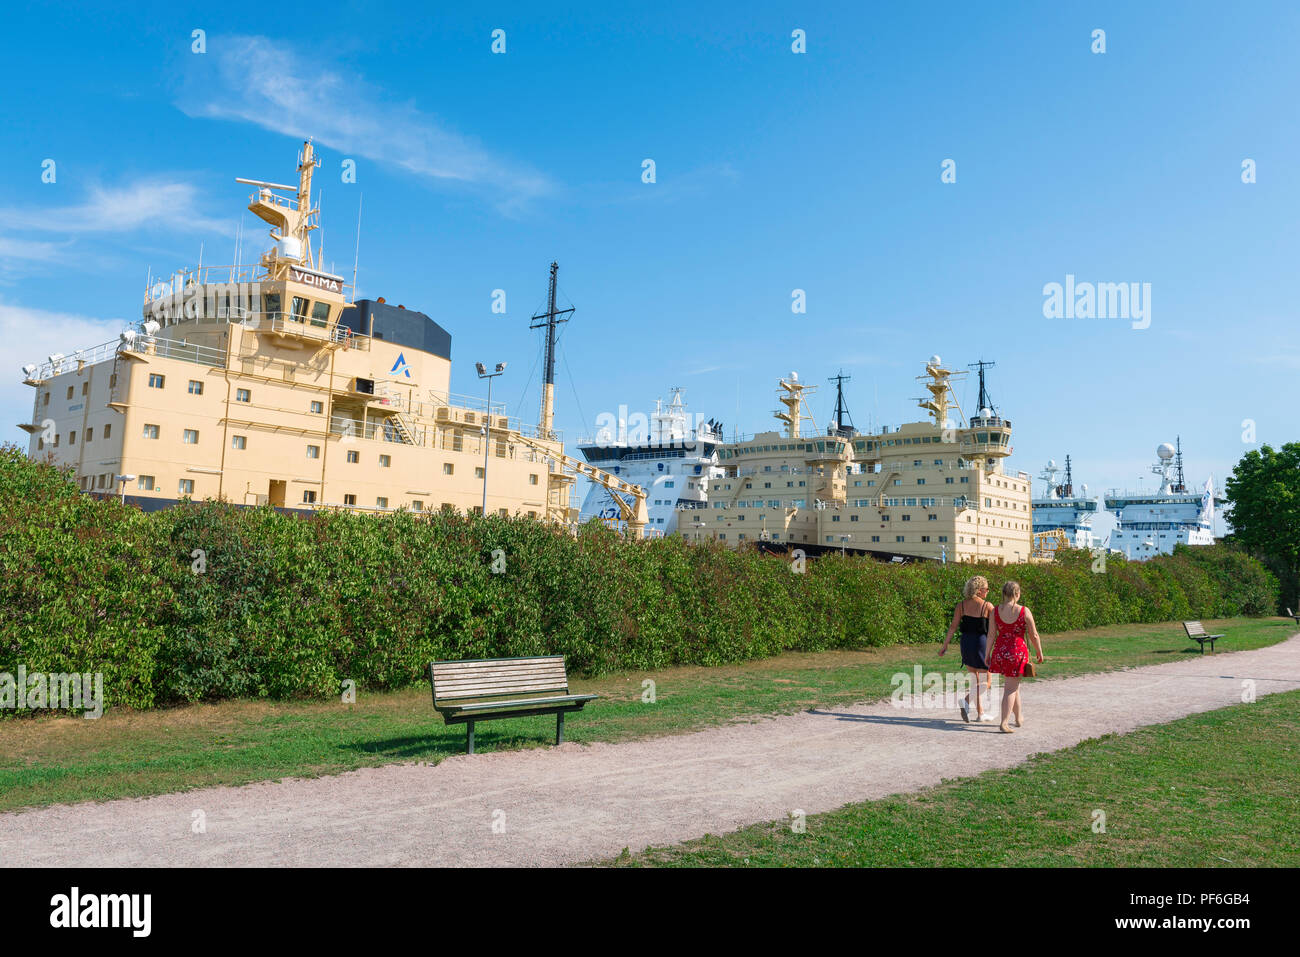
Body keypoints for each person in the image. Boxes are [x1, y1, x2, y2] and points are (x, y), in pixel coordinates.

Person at [985, 580, 1044, 733]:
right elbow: (1034, 634)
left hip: (1000, 651)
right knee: (1011, 688)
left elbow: (991, 634)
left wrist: (987, 654)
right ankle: (1004, 722)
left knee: (1014, 685)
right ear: (1017, 594)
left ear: (1004, 594)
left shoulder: (995, 611)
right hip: (1017, 652)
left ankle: (1018, 718)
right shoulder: (1024, 611)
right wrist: (1039, 651)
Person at [939, 575, 994, 722]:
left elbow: (952, 627)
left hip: (966, 643)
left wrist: (945, 645)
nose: (987, 592)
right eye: (986, 589)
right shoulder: (987, 606)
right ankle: (966, 702)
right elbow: (997, 628)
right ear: (979, 590)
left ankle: (980, 714)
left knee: (975, 681)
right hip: (981, 644)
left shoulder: (961, 605)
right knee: (986, 682)